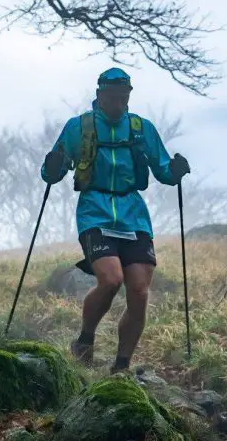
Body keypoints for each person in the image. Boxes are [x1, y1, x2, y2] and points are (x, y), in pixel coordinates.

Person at [41, 67, 191, 374]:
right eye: (113, 96)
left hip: (133, 216)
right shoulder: (79, 126)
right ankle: (84, 340)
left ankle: (121, 366)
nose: (119, 103)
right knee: (111, 280)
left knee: (139, 290)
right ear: (99, 95)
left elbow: (163, 170)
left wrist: (175, 170)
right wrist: (52, 166)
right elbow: (54, 171)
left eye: (124, 97)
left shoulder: (140, 128)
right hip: (94, 210)